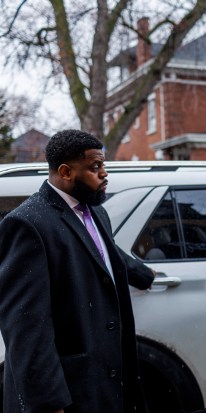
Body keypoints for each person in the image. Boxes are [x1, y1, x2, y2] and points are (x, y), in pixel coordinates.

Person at [0, 130, 154, 413]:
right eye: (95, 167)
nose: (104, 174)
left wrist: (142, 274)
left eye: (103, 165)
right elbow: (26, 326)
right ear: (66, 172)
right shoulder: (27, 223)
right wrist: (48, 403)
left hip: (104, 380)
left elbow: (101, 252)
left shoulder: (95, 212)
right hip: (69, 389)